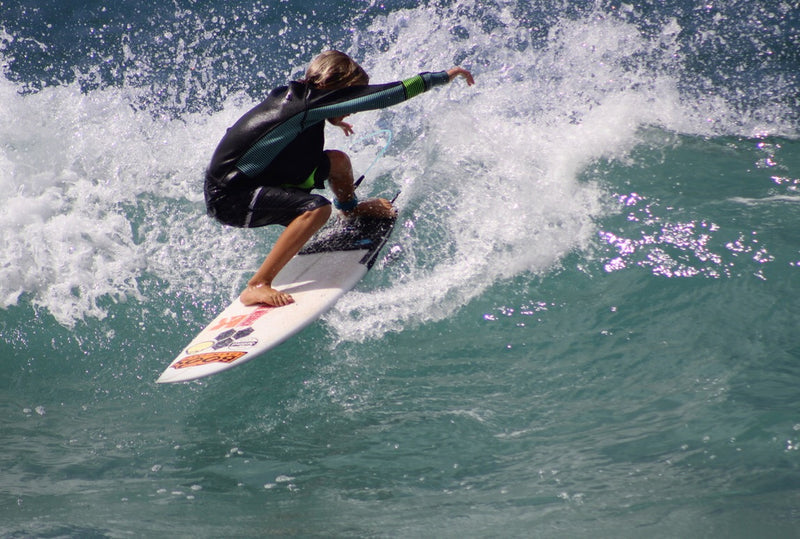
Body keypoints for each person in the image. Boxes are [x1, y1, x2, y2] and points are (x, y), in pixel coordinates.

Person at [204, 50, 475, 307]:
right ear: (335, 87)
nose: (352, 107)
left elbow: (286, 129)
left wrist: (334, 119)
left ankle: (350, 210)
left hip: (259, 179)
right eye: (350, 97)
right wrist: (440, 78)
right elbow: (384, 96)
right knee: (317, 209)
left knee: (338, 162)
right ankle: (257, 285)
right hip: (231, 197)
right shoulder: (307, 104)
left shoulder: (301, 98)